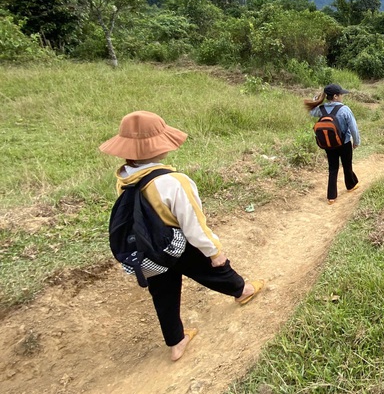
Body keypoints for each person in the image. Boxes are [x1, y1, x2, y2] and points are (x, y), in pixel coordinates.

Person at [99, 110, 265, 362]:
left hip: (148, 250)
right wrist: (215, 251)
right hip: (176, 244)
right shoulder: (174, 182)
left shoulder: (123, 178)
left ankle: (176, 342)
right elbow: (194, 226)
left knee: (162, 292)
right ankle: (242, 290)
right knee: (212, 269)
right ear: (158, 147)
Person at [304, 84, 361, 204]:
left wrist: (316, 99)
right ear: (335, 96)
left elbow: (311, 112)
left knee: (333, 168)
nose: (342, 96)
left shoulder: (321, 109)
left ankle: (331, 196)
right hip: (344, 143)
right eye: (341, 94)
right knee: (347, 164)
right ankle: (351, 185)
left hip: (329, 145)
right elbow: (353, 128)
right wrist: (356, 142)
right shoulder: (345, 109)